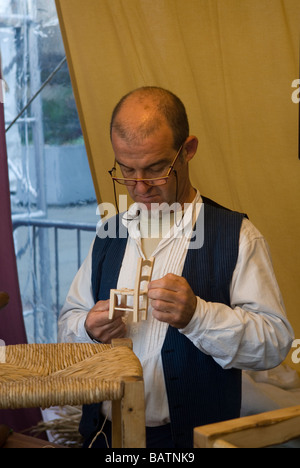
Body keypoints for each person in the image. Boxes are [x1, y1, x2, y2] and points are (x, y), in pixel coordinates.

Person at [58, 86, 294, 448]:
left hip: (185, 443)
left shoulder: (237, 236)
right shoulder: (109, 233)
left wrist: (198, 316)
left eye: (155, 169)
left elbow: (274, 344)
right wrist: (88, 327)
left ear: (188, 150)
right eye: (126, 170)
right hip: (104, 435)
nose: (139, 187)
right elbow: (68, 323)